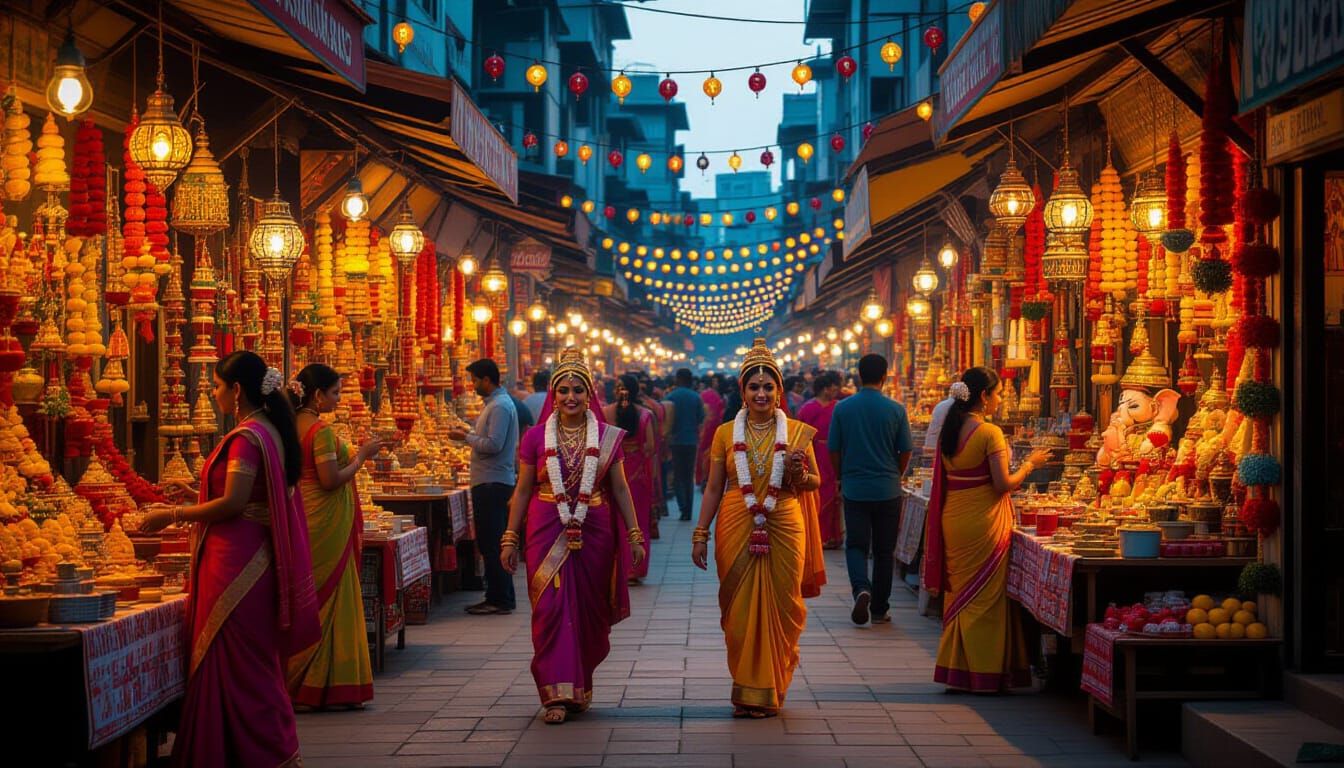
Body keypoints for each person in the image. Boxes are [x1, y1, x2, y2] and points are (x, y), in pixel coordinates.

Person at [140, 351, 319, 767]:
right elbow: (241, 495)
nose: (214, 394)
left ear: (236, 391)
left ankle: (243, 754)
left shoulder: (246, 437)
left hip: (238, 564)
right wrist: (197, 496)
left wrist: (173, 515)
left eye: (217, 387)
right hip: (249, 559)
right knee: (251, 665)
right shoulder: (270, 430)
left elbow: (236, 502)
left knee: (238, 665)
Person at [501, 348, 645, 724]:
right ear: (553, 394)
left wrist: (634, 535)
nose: (570, 397)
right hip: (545, 526)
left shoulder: (608, 437)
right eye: (563, 390)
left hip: (593, 531)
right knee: (549, 610)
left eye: (578, 390)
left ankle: (576, 686)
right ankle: (554, 694)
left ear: (590, 394)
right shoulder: (535, 438)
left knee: (585, 612)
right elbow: (522, 490)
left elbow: (621, 489)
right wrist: (509, 537)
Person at [691, 339, 826, 718]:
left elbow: (815, 482)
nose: (761, 393)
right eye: (754, 387)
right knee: (738, 614)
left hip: (784, 520)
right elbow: (714, 487)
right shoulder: (723, 434)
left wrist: (800, 473)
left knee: (785, 606)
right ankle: (748, 689)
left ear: (779, 391)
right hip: (736, 521)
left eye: (769, 387)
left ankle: (772, 688)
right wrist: (700, 532)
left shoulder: (798, 432)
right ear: (743, 392)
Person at [925, 368, 1048, 693]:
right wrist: (1030, 464)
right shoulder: (989, 433)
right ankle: (984, 672)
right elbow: (1002, 483)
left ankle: (959, 669)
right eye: (997, 393)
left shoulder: (950, 429)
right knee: (985, 599)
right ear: (983, 396)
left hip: (955, 517)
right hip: (982, 521)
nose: (999, 399)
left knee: (961, 596)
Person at [286, 364, 387, 710]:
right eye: (335, 392)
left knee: (307, 598)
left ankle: (299, 682)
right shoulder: (320, 432)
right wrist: (362, 456)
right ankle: (319, 685)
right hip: (324, 524)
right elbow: (330, 479)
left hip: (303, 517)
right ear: (317, 395)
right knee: (329, 598)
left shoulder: (285, 428)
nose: (339, 399)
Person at [827, 354, 913, 626]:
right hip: (888, 489)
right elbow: (906, 450)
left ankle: (861, 588)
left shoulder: (843, 408)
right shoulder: (896, 409)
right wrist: (895, 474)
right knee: (884, 551)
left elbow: (833, 449)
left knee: (856, 545)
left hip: (855, 487)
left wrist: (841, 477)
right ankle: (879, 608)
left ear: (859, 376)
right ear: (885, 376)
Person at [449, 359, 519, 616]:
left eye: (475, 380)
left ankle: (499, 598)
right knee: (492, 542)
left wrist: (465, 437)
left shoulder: (499, 406)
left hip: (492, 482)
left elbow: (493, 445)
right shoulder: (496, 405)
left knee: (492, 543)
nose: (473, 385)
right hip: (490, 480)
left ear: (487, 380)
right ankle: (500, 595)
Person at [604, 374, 656, 584]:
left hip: (613, 473)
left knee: (615, 521)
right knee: (638, 521)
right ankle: (635, 569)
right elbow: (650, 447)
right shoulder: (645, 415)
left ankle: (618, 569)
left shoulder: (606, 413)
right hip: (638, 476)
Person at [797, 371, 843, 549]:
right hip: (813, 453)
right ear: (825, 389)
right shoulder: (808, 408)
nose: (835, 391)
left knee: (832, 495)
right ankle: (816, 535)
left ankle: (830, 536)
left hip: (833, 455)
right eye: (833, 388)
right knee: (816, 494)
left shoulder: (838, 407)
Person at [665, 368, 704, 520]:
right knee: (689, 476)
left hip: (676, 441)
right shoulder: (696, 397)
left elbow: (666, 420)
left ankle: (682, 507)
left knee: (678, 474)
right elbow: (700, 418)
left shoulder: (670, 397)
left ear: (678, 379)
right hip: (691, 440)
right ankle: (688, 508)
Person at [695, 375, 725, 491]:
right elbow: (720, 413)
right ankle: (710, 478)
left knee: (702, 453)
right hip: (714, 428)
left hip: (703, 429)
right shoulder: (716, 396)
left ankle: (702, 478)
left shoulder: (702, 395)